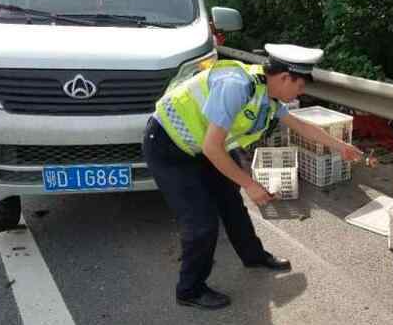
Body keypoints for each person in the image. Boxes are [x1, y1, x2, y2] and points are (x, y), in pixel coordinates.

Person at [143, 43, 364, 310]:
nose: (300, 92)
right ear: (284, 78)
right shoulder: (236, 86)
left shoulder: (268, 95)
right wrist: (250, 183)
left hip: (206, 147)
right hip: (170, 145)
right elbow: (213, 148)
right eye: (300, 86)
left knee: (232, 204)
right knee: (201, 223)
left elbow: (300, 125)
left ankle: (254, 256)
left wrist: (341, 147)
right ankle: (190, 289)